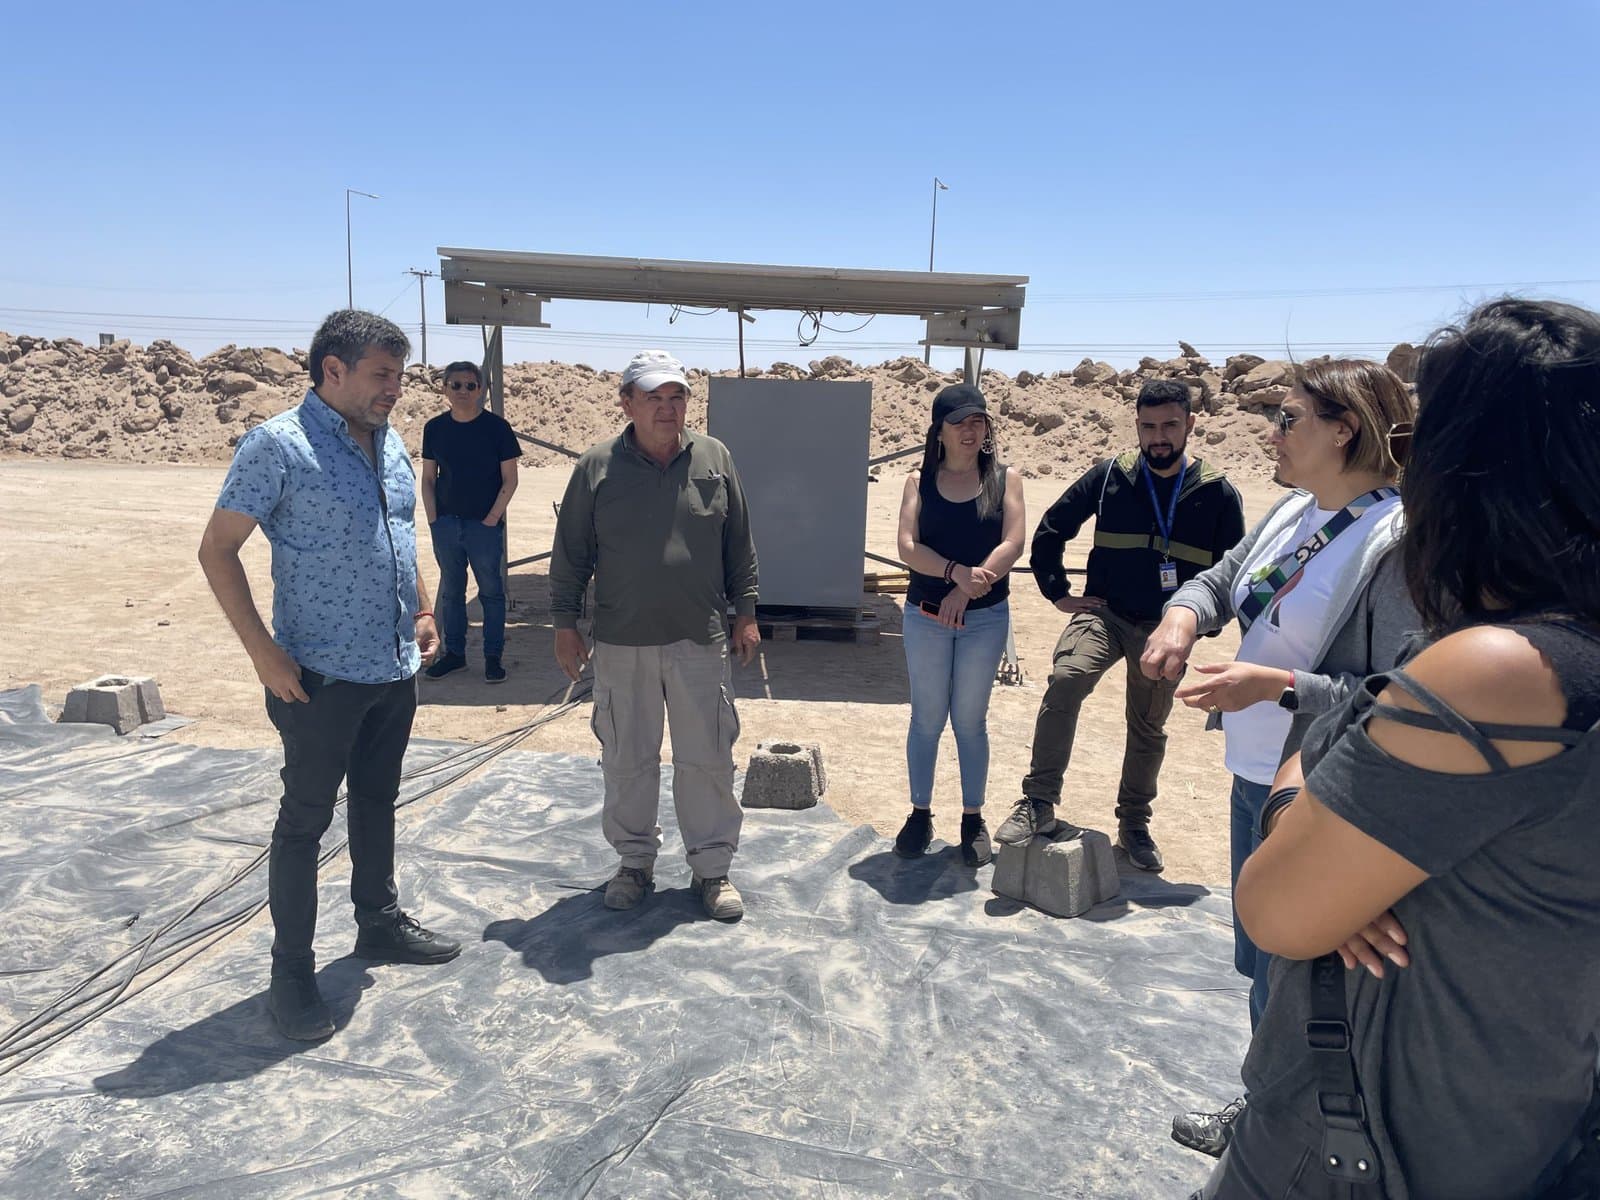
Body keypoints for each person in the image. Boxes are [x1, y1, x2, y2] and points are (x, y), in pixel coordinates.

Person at [1190, 299, 1600, 1199]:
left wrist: (1304, 788)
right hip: (1523, 1120)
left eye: (1419, 449)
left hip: (1371, 1142)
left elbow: (1279, 907)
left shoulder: (1497, 672)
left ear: (1473, 472)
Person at [1142, 358, 1418, 1157]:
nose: (1272, 433)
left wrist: (1279, 687)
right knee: (1263, 961)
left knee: (1295, 973)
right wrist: (1183, 616)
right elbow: (1223, 579)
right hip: (1255, 781)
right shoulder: (1296, 508)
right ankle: (1269, 1115)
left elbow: (1397, 696)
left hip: (1320, 796)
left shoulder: (1396, 543)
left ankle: (1279, 1140)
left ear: (1345, 431)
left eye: (1289, 420)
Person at [197, 310, 460, 1043]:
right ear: (332, 371)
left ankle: (378, 922)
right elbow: (217, 550)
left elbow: (399, 533)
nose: (394, 390)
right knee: (304, 822)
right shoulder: (277, 446)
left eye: (398, 376)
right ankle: (291, 973)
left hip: (392, 666)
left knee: (377, 799)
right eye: (381, 375)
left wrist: (424, 609)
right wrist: (262, 652)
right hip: (315, 677)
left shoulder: (390, 441)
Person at [994, 379, 1246, 871]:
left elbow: (1234, 571)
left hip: (1165, 629)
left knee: (1147, 725)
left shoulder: (1216, 492)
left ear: (1191, 424)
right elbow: (1051, 529)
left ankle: (1133, 824)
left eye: (1170, 425)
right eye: (1148, 426)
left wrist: (1198, 627)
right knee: (1066, 679)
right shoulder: (1111, 475)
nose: (1159, 437)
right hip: (1105, 614)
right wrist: (1058, 591)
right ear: (1136, 425)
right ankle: (1038, 801)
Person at [550, 349, 761, 922]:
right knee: (627, 758)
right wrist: (565, 624)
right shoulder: (596, 467)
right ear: (627, 403)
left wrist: (745, 611)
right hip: (623, 640)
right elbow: (571, 553)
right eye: (653, 398)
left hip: (699, 637)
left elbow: (739, 542)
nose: (668, 409)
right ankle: (634, 863)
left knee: (708, 757)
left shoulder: (714, 458)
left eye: (677, 397)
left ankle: (712, 869)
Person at [891, 383, 1027, 867]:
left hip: (985, 619)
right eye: (959, 422)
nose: (970, 431)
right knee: (926, 719)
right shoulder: (918, 482)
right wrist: (954, 574)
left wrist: (966, 589)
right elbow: (907, 547)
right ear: (939, 432)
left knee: (970, 721)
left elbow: (1013, 544)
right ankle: (919, 814)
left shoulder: (1006, 480)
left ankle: (973, 818)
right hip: (926, 617)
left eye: (978, 421)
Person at [420, 360, 520, 684]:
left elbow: (510, 479)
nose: (463, 391)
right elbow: (428, 478)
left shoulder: (497, 428)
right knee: (452, 592)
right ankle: (455, 655)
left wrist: (492, 518)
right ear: (445, 388)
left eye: (470, 385)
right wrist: (433, 519)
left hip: (483, 527)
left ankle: (492, 658)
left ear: (480, 390)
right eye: (456, 385)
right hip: (447, 525)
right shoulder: (434, 428)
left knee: (491, 592)